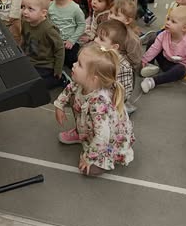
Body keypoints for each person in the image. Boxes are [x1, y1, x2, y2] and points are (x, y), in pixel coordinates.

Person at [54, 44, 135, 175]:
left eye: (79, 64)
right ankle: (81, 133)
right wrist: (59, 105)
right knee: (74, 98)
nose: (73, 65)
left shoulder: (99, 103)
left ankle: (103, 157)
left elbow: (103, 136)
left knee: (88, 170)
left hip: (108, 139)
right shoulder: (82, 82)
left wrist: (88, 158)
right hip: (95, 127)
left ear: (93, 79)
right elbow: (69, 90)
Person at [140, 6, 186, 94]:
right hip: (165, 59)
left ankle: (152, 81)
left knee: (181, 70)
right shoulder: (164, 34)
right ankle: (150, 65)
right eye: (168, 19)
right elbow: (155, 48)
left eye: (173, 21)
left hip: (176, 67)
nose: (168, 22)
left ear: (184, 28)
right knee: (153, 39)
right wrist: (145, 59)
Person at [20, 0, 64, 89]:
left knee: (36, 86)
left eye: (30, 9)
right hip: (30, 59)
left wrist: (58, 69)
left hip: (44, 64)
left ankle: (59, 80)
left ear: (43, 13)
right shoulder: (25, 21)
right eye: (23, 7)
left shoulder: (49, 29)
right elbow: (24, 39)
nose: (25, 12)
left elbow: (59, 48)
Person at [95, 19, 141, 114]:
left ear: (114, 47)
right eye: (96, 36)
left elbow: (124, 91)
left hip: (111, 100)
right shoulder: (97, 54)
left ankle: (124, 109)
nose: (95, 40)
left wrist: (114, 103)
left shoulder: (122, 66)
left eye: (101, 39)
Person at [48, 0, 86, 68]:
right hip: (54, 42)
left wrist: (72, 40)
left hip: (69, 43)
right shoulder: (49, 6)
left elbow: (81, 25)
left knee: (72, 61)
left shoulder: (75, 8)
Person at [108, 0, 143, 68]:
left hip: (125, 66)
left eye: (116, 15)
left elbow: (135, 59)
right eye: (110, 12)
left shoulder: (131, 38)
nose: (111, 16)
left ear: (127, 20)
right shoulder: (109, 27)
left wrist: (116, 57)